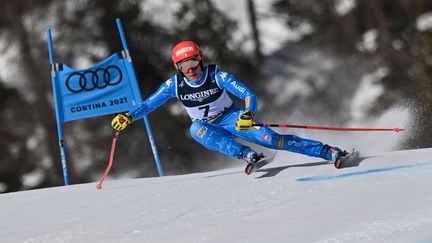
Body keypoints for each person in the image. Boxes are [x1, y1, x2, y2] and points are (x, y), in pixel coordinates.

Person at [111, 41, 347, 174]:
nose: (190, 69)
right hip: (207, 126)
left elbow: (248, 94)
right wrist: (128, 117)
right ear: (177, 67)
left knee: (271, 139)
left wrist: (248, 113)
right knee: (195, 130)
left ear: (200, 59)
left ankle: (328, 151)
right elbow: (148, 104)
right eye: (184, 66)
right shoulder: (174, 84)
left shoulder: (216, 75)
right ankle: (245, 154)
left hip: (233, 118)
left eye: (193, 62)